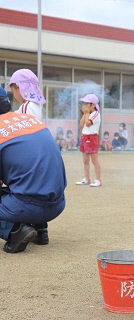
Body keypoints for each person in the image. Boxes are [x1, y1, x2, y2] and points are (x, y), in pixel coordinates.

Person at [0, 86, 66, 253]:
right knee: (31, 178)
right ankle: (40, 230)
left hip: (29, 206)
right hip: (58, 203)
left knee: (24, 185)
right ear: (7, 102)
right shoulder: (31, 120)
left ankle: (14, 230)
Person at [76, 94, 102, 187]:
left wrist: (86, 113)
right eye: (84, 103)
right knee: (85, 160)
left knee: (94, 160)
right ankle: (87, 179)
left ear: (93, 105)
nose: (85, 105)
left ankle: (98, 180)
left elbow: (87, 124)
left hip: (92, 137)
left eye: (87, 103)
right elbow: (82, 123)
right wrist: (85, 113)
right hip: (85, 136)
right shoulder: (88, 114)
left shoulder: (95, 114)